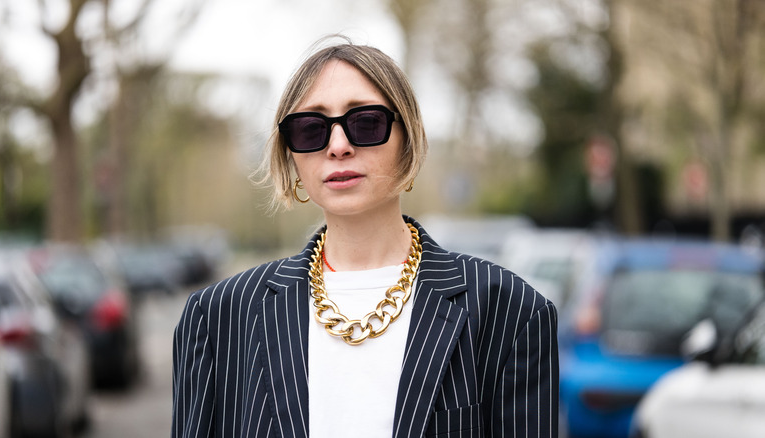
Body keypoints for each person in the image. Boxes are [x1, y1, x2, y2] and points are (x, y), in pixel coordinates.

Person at [172, 37, 559, 438]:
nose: (338, 146)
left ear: (407, 137)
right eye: (310, 129)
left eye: (366, 122)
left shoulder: (509, 311)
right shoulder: (217, 319)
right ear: (292, 155)